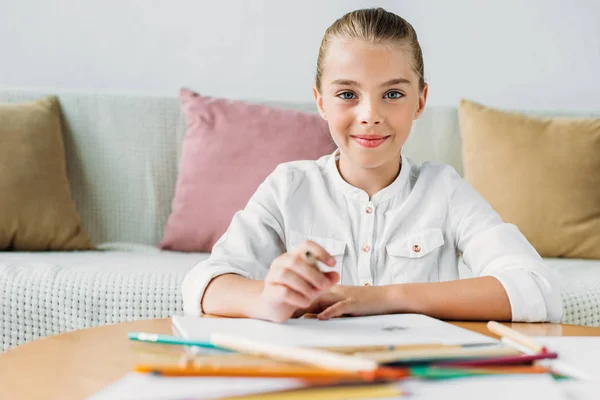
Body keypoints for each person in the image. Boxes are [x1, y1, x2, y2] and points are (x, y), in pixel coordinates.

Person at [181, 7, 562, 324]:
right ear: (320, 101)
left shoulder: (443, 190)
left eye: (392, 94)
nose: (370, 115)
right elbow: (204, 284)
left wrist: (382, 298)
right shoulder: (288, 187)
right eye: (347, 94)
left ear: (420, 100)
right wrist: (268, 298)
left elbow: (536, 290)